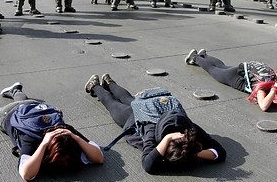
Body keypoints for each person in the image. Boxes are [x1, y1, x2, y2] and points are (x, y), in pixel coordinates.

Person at [85, 74, 226, 174]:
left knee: (129, 99)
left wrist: (193, 154)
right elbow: (148, 165)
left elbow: (221, 152)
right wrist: (166, 140)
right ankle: (95, 86)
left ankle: (109, 83)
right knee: (113, 105)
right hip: (137, 119)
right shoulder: (152, 131)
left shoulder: (190, 130)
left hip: (148, 106)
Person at [0, 82, 104, 181]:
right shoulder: (31, 139)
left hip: (34, 108)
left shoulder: (67, 133)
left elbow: (99, 158)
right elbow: (26, 174)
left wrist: (76, 137)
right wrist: (43, 145)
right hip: (9, 114)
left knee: (24, 102)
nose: (64, 164)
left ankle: (15, 91)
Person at [185, 49, 277, 112]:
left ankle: (205, 55)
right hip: (236, 78)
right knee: (214, 70)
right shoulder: (264, 87)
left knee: (223, 67)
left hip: (246, 70)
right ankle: (195, 57)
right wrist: (275, 89)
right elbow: (264, 106)